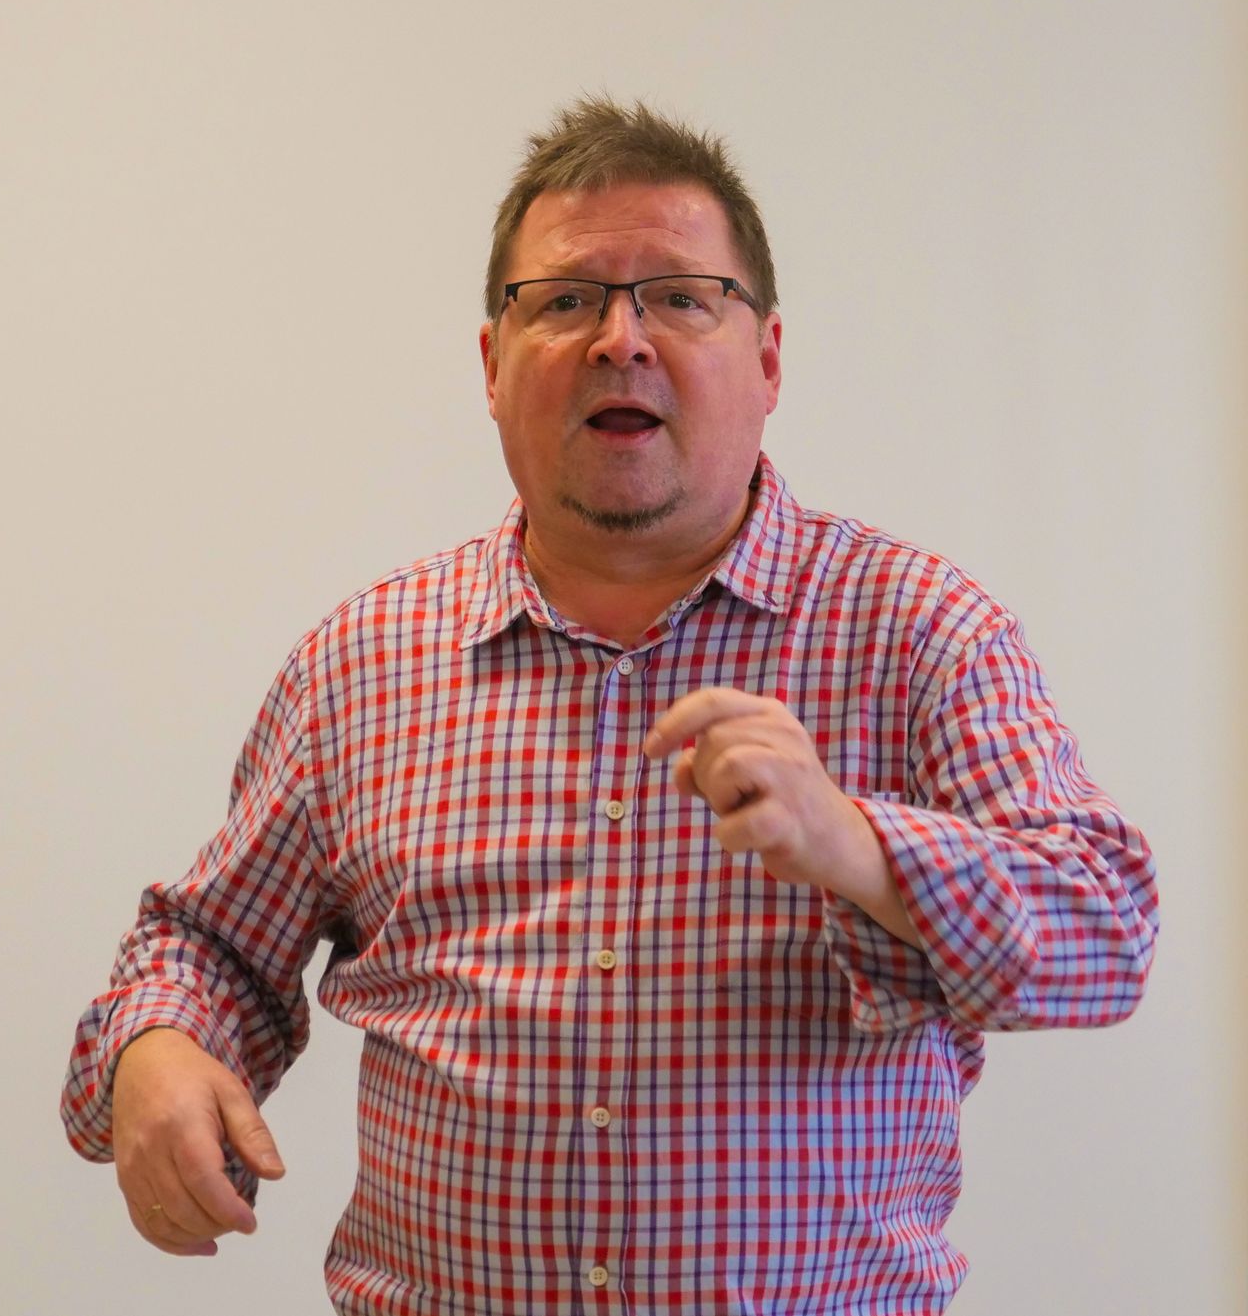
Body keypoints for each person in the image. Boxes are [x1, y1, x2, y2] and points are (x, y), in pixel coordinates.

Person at [58, 96, 1159, 1314]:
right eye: (566, 301)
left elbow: (1107, 928)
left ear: (769, 359)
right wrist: (157, 1046)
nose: (619, 339)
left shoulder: (919, 632)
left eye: (681, 297)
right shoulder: (361, 664)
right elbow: (209, 945)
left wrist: (858, 843)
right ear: (492, 364)